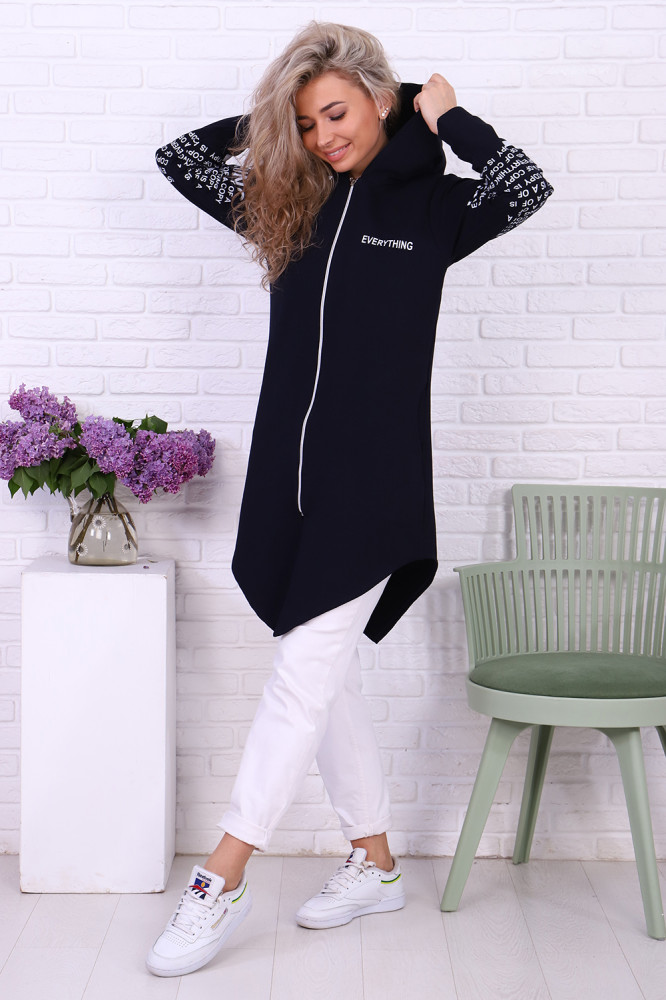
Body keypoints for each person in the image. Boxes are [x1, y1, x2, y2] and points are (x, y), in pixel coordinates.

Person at [146, 21, 554, 978]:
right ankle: (375, 863)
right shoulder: (288, 201)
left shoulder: (437, 207)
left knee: (301, 677)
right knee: (318, 672)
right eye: (306, 123)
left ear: (379, 99)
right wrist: (268, 121)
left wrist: (443, 115)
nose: (323, 136)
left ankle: (222, 876)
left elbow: (525, 185)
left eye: (336, 113)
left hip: (374, 488)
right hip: (289, 485)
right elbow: (179, 159)